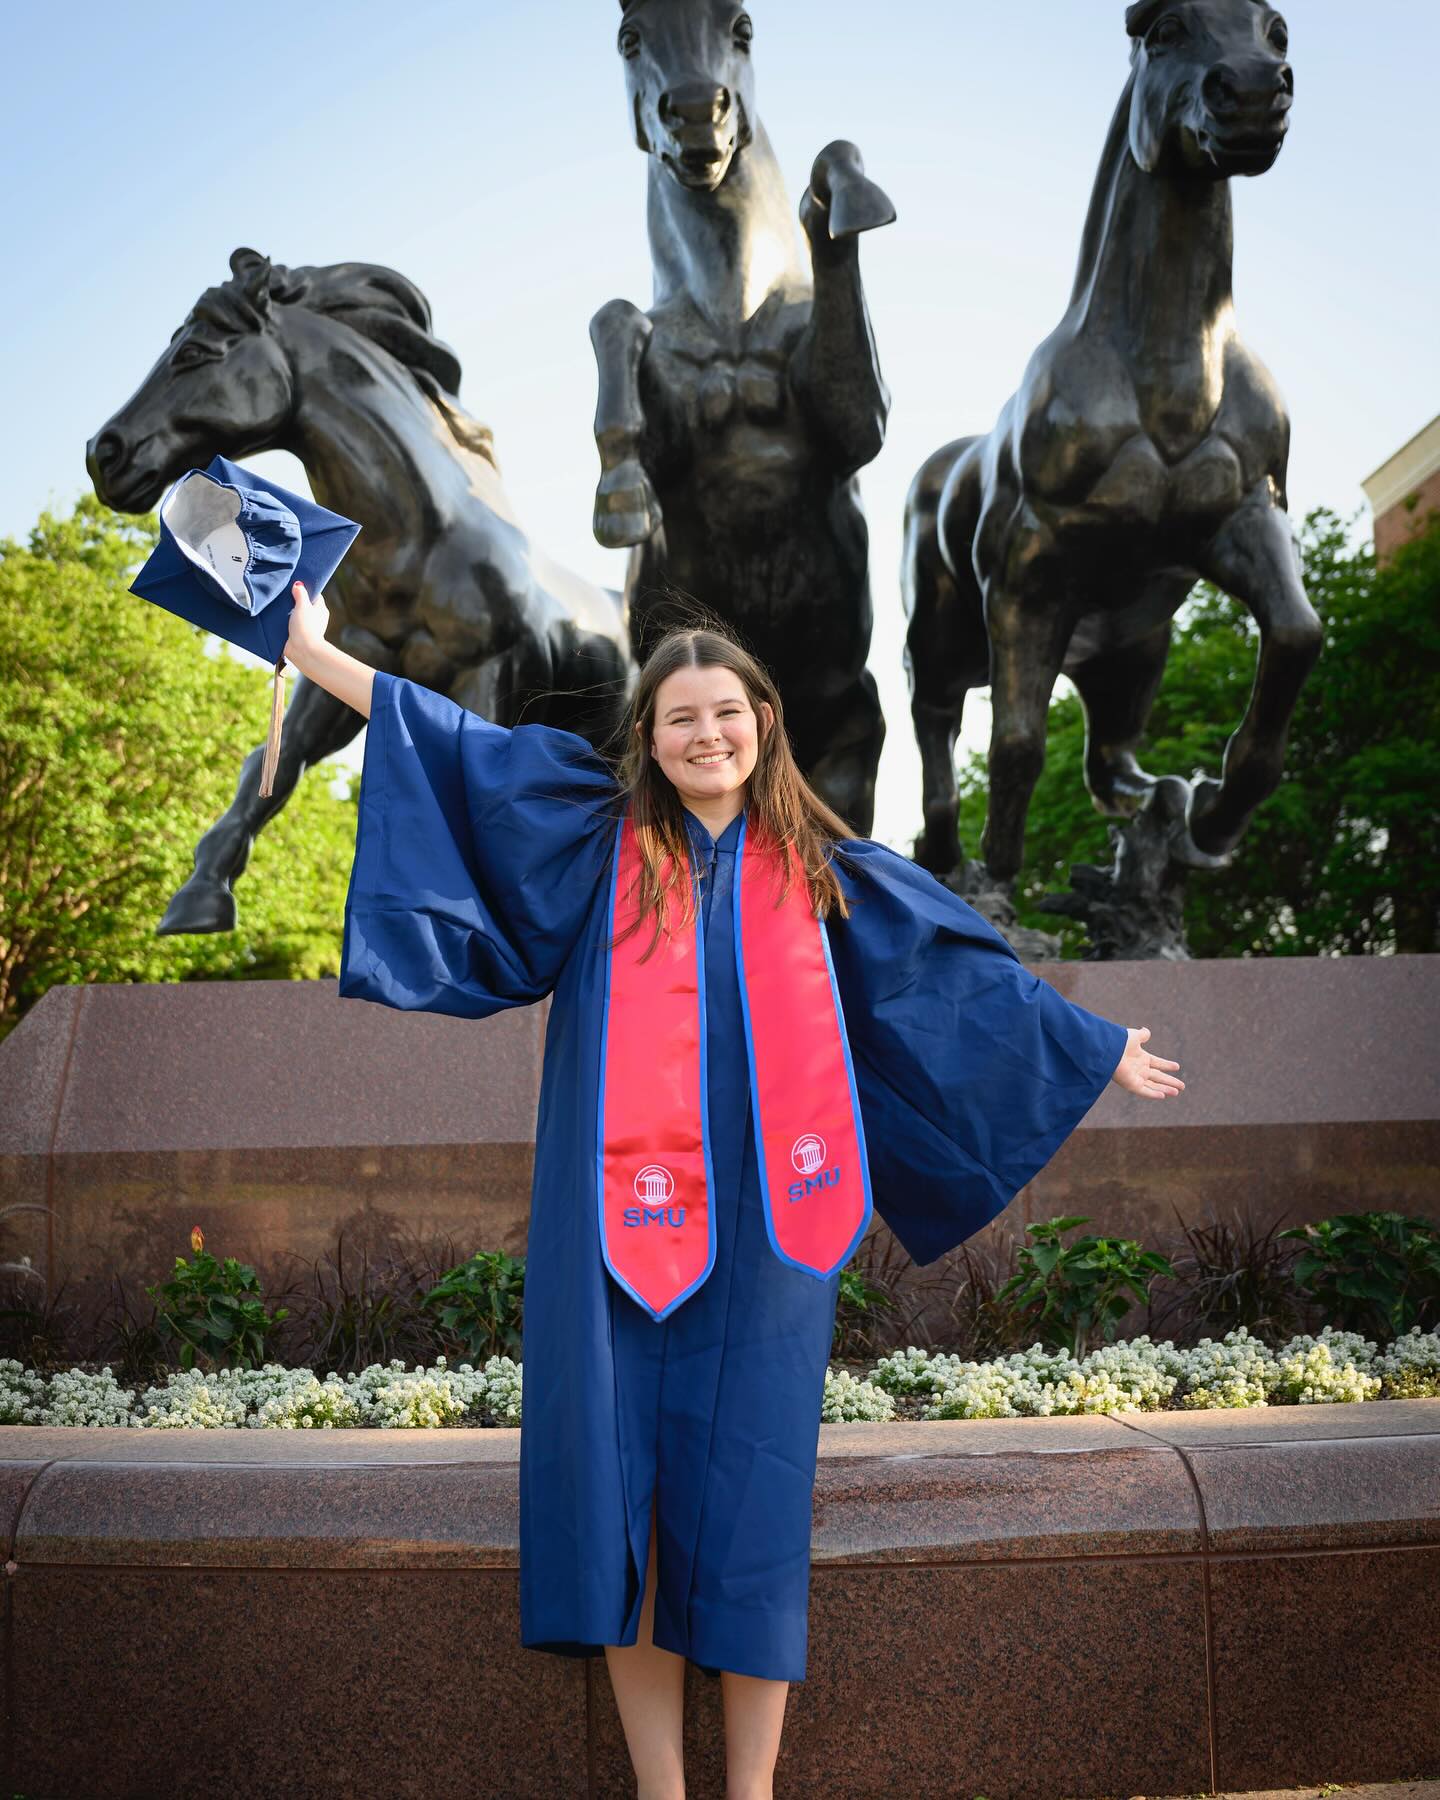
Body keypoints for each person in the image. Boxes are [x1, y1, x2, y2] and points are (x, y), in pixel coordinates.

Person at [284, 578, 1182, 1800]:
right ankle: (663, 1788)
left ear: (763, 723)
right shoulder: (596, 841)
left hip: (771, 1241)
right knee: (620, 1508)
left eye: (726, 713)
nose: (706, 736)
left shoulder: (822, 867)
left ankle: (750, 1791)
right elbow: (458, 748)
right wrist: (315, 655)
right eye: (678, 719)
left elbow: (955, 975)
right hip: (609, 1235)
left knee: (753, 1500)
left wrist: (1092, 1046)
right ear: (647, 741)